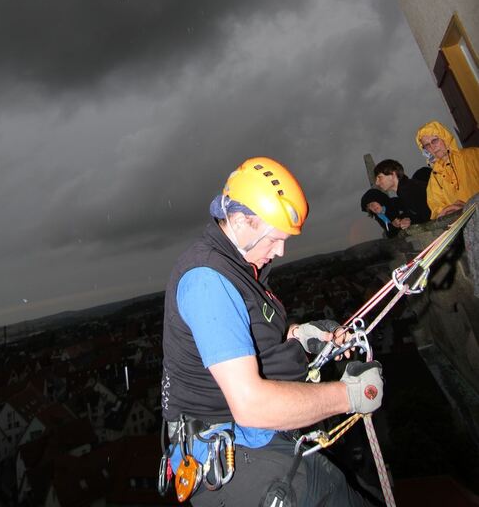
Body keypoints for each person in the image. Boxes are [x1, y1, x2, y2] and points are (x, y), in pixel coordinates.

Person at [161, 157, 383, 506]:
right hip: (234, 457)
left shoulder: (240, 267)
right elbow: (252, 404)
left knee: (339, 486)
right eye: (273, 239)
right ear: (237, 221)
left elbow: (250, 343)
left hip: (251, 441)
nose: (280, 250)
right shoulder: (208, 281)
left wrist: (301, 336)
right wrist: (351, 395)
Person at [415, 121, 479, 219]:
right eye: (427, 145)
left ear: (444, 137)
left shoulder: (473, 155)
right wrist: (447, 212)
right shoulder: (434, 180)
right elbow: (437, 209)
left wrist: (469, 206)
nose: (432, 147)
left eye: (435, 140)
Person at [373, 159, 431, 228]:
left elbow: (428, 217)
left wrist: (411, 221)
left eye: (379, 177)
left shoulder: (408, 190)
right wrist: (408, 219)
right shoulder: (406, 188)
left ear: (393, 174)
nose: (377, 183)